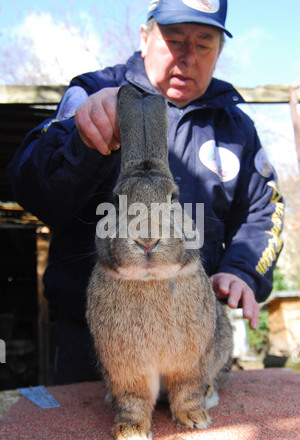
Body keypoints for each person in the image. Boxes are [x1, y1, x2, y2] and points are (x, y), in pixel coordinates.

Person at [8, 0, 284, 385]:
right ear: (145, 37)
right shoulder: (93, 91)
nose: (187, 58)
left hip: (190, 343)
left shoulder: (237, 127)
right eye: (174, 40)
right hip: (97, 345)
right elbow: (30, 186)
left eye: (204, 44)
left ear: (219, 50)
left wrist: (241, 270)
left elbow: (264, 210)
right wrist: (81, 141)